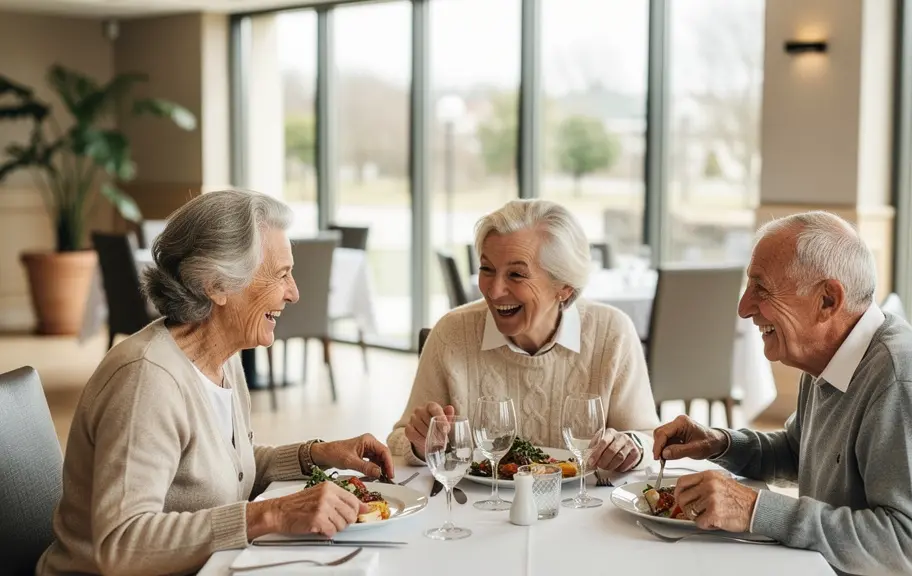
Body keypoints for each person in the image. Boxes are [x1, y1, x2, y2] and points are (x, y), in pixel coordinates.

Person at [37, 190, 395, 576]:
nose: (294, 293)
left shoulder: (222, 358)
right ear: (218, 285)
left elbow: (227, 471)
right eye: (281, 274)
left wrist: (318, 454)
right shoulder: (147, 381)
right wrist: (270, 513)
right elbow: (121, 545)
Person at [653, 211, 912, 576]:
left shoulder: (902, 383)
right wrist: (719, 443)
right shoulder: (830, 358)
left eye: (762, 289)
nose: (743, 308)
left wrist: (754, 509)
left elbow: (908, 550)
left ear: (828, 301)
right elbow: (800, 451)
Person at [388, 199, 660, 473]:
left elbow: (647, 437)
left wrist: (631, 447)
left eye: (516, 275)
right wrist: (421, 443)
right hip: (475, 500)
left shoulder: (612, 332)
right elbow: (400, 439)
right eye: (487, 269)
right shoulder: (452, 332)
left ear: (564, 287)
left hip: (584, 500)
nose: (494, 291)